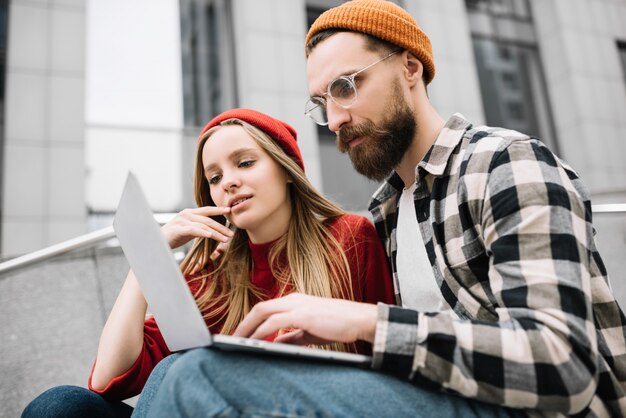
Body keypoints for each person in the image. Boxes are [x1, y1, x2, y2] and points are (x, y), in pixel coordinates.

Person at [138, 1, 626, 417]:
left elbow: (563, 364)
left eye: (346, 87)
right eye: (321, 102)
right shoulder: (389, 211)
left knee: (203, 376)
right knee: (145, 380)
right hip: (432, 397)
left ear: (410, 68)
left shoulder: (505, 163)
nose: (333, 119)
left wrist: (361, 321)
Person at [21, 108, 395, 418]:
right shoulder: (212, 271)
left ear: (285, 168)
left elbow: (385, 359)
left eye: (245, 163)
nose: (228, 182)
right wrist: (150, 257)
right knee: (61, 406)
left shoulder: (349, 236)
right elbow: (107, 378)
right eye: (215, 177)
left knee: (177, 371)